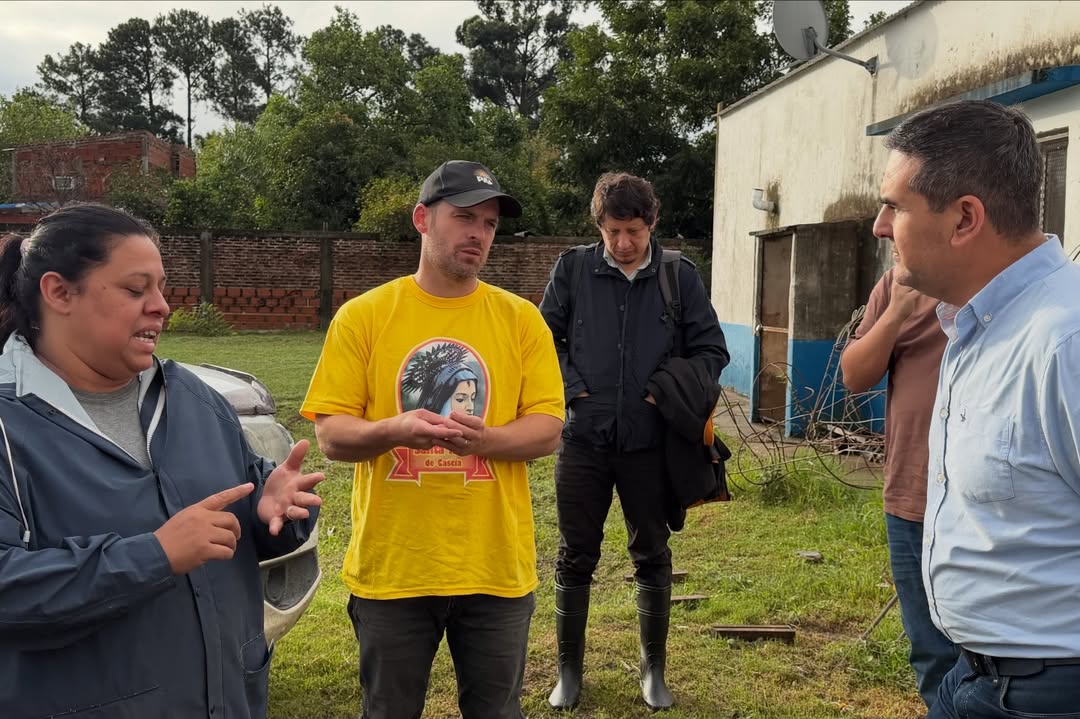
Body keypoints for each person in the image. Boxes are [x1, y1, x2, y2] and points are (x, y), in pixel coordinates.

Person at [0, 204, 325, 719]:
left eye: (161, 287)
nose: (162, 306)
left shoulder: (193, 398)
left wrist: (275, 510)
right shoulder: (9, 425)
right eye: (136, 290)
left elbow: (235, 511)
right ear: (59, 293)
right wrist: (154, 556)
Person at [301, 160, 565, 719]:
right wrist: (396, 430)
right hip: (394, 569)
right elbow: (332, 435)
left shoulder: (521, 320)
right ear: (422, 219)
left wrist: (484, 441)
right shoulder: (363, 317)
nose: (479, 234)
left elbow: (548, 428)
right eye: (465, 217)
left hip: (495, 568)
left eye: (490, 224)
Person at [873, 99, 1080, 719]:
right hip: (977, 676)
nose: (881, 227)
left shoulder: (1063, 341)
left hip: (1049, 691)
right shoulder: (978, 326)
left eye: (896, 206)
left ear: (965, 218)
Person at [538, 172, 729, 710]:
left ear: (652, 223)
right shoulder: (573, 269)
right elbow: (542, 340)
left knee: (652, 554)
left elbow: (712, 351)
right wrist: (572, 389)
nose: (623, 243)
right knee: (575, 555)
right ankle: (568, 672)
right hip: (583, 441)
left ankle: (654, 672)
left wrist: (665, 390)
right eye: (613, 231)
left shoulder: (678, 276)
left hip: (650, 445)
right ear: (598, 225)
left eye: (634, 232)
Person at [840, 265, 958, 708]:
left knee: (989, 660)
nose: (882, 231)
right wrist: (895, 313)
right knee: (930, 652)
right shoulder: (895, 284)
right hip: (910, 497)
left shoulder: (995, 280)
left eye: (896, 223)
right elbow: (854, 376)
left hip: (983, 505)